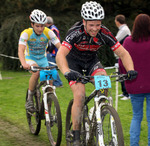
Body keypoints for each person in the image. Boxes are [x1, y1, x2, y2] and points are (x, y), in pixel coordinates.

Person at [56, 1, 137, 145]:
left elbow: (123, 53)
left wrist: (130, 69)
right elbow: (60, 55)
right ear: (84, 21)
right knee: (80, 95)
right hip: (73, 63)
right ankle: (75, 135)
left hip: (91, 61)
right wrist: (67, 72)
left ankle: (96, 112)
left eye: (98, 24)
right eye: (91, 25)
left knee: (104, 84)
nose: (95, 29)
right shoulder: (75, 32)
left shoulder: (104, 32)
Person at [18, 9, 61, 113]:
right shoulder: (26, 33)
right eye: (37, 26)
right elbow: (21, 50)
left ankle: (48, 110)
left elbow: (60, 47)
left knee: (50, 84)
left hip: (43, 59)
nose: (40, 28)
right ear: (32, 24)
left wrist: (65, 60)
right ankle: (29, 99)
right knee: (36, 73)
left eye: (42, 25)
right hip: (30, 59)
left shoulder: (49, 32)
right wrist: (23, 63)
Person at [119, 14, 150, 146]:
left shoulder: (128, 42)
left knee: (136, 117)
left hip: (134, 84)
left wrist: (126, 74)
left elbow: (121, 63)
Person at [115, 14, 131, 100]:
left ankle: (127, 94)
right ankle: (124, 92)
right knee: (120, 74)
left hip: (123, 56)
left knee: (123, 74)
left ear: (118, 21)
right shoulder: (122, 29)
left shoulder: (124, 29)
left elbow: (115, 40)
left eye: (115, 20)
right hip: (119, 56)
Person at [45, 16, 63, 87]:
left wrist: (49, 50)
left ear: (47, 23)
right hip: (52, 51)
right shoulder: (51, 28)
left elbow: (53, 41)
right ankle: (50, 83)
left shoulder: (53, 29)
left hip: (53, 52)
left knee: (51, 67)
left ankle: (58, 83)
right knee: (50, 67)